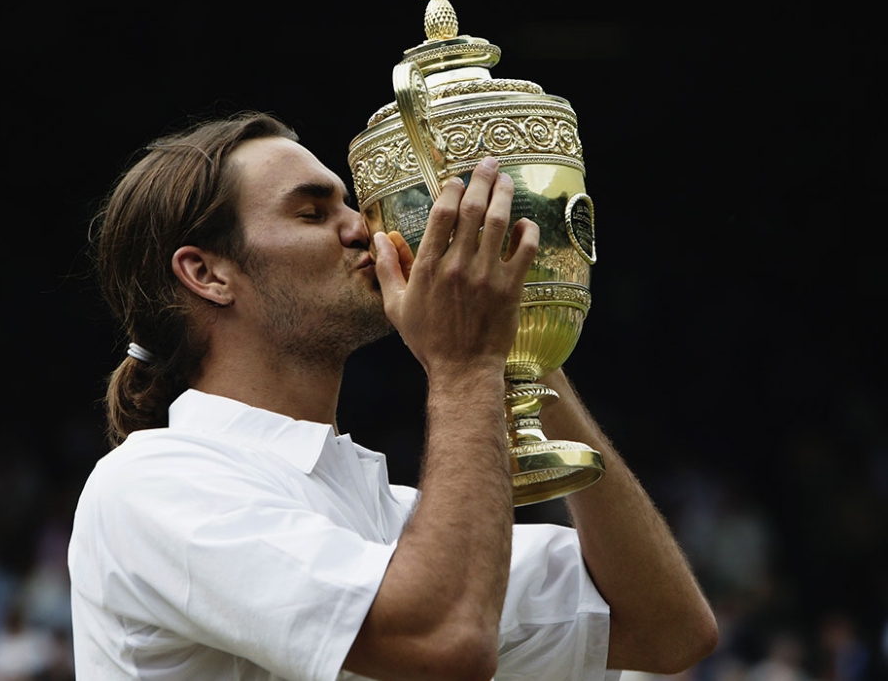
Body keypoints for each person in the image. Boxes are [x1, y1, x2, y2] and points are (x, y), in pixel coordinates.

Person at [67, 111, 719, 680]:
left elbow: (666, 632)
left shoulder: (392, 515)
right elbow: (445, 641)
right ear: (207, 273)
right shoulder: (152, 484)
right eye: (313, 211)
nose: (365, 231)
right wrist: (467, 365)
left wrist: (522, 345)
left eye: (353, 205)